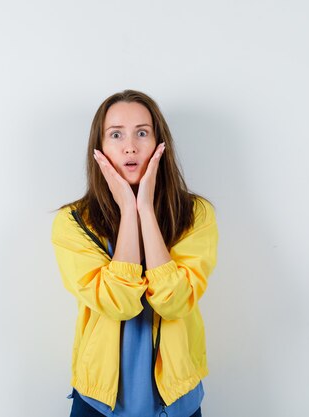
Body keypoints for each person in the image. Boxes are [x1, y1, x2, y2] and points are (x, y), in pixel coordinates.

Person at [51, 90, 218, 417]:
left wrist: (145, 210)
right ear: (99, 149)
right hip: (98, 403)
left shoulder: (196, 214)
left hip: (177, 400)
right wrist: (129, 210)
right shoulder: (72, 223)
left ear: (159, 143)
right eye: (116, 135)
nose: (130, 146)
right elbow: (118, 303)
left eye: (142, 132)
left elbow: (174, 301)